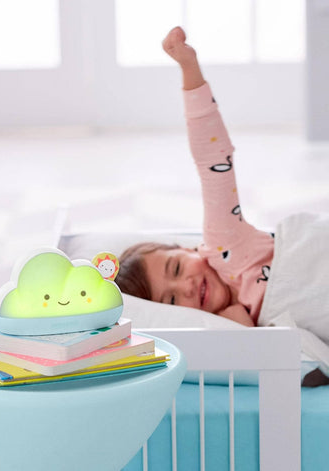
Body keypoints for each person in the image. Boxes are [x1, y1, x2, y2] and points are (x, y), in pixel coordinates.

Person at [116, 26, 275, 328]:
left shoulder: (223, 243)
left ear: (187, 248)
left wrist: (189, 68)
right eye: (172, 301)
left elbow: (213, 160)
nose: (186, 287)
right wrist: (240, 327)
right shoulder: (220, 328)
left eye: (176, 268)